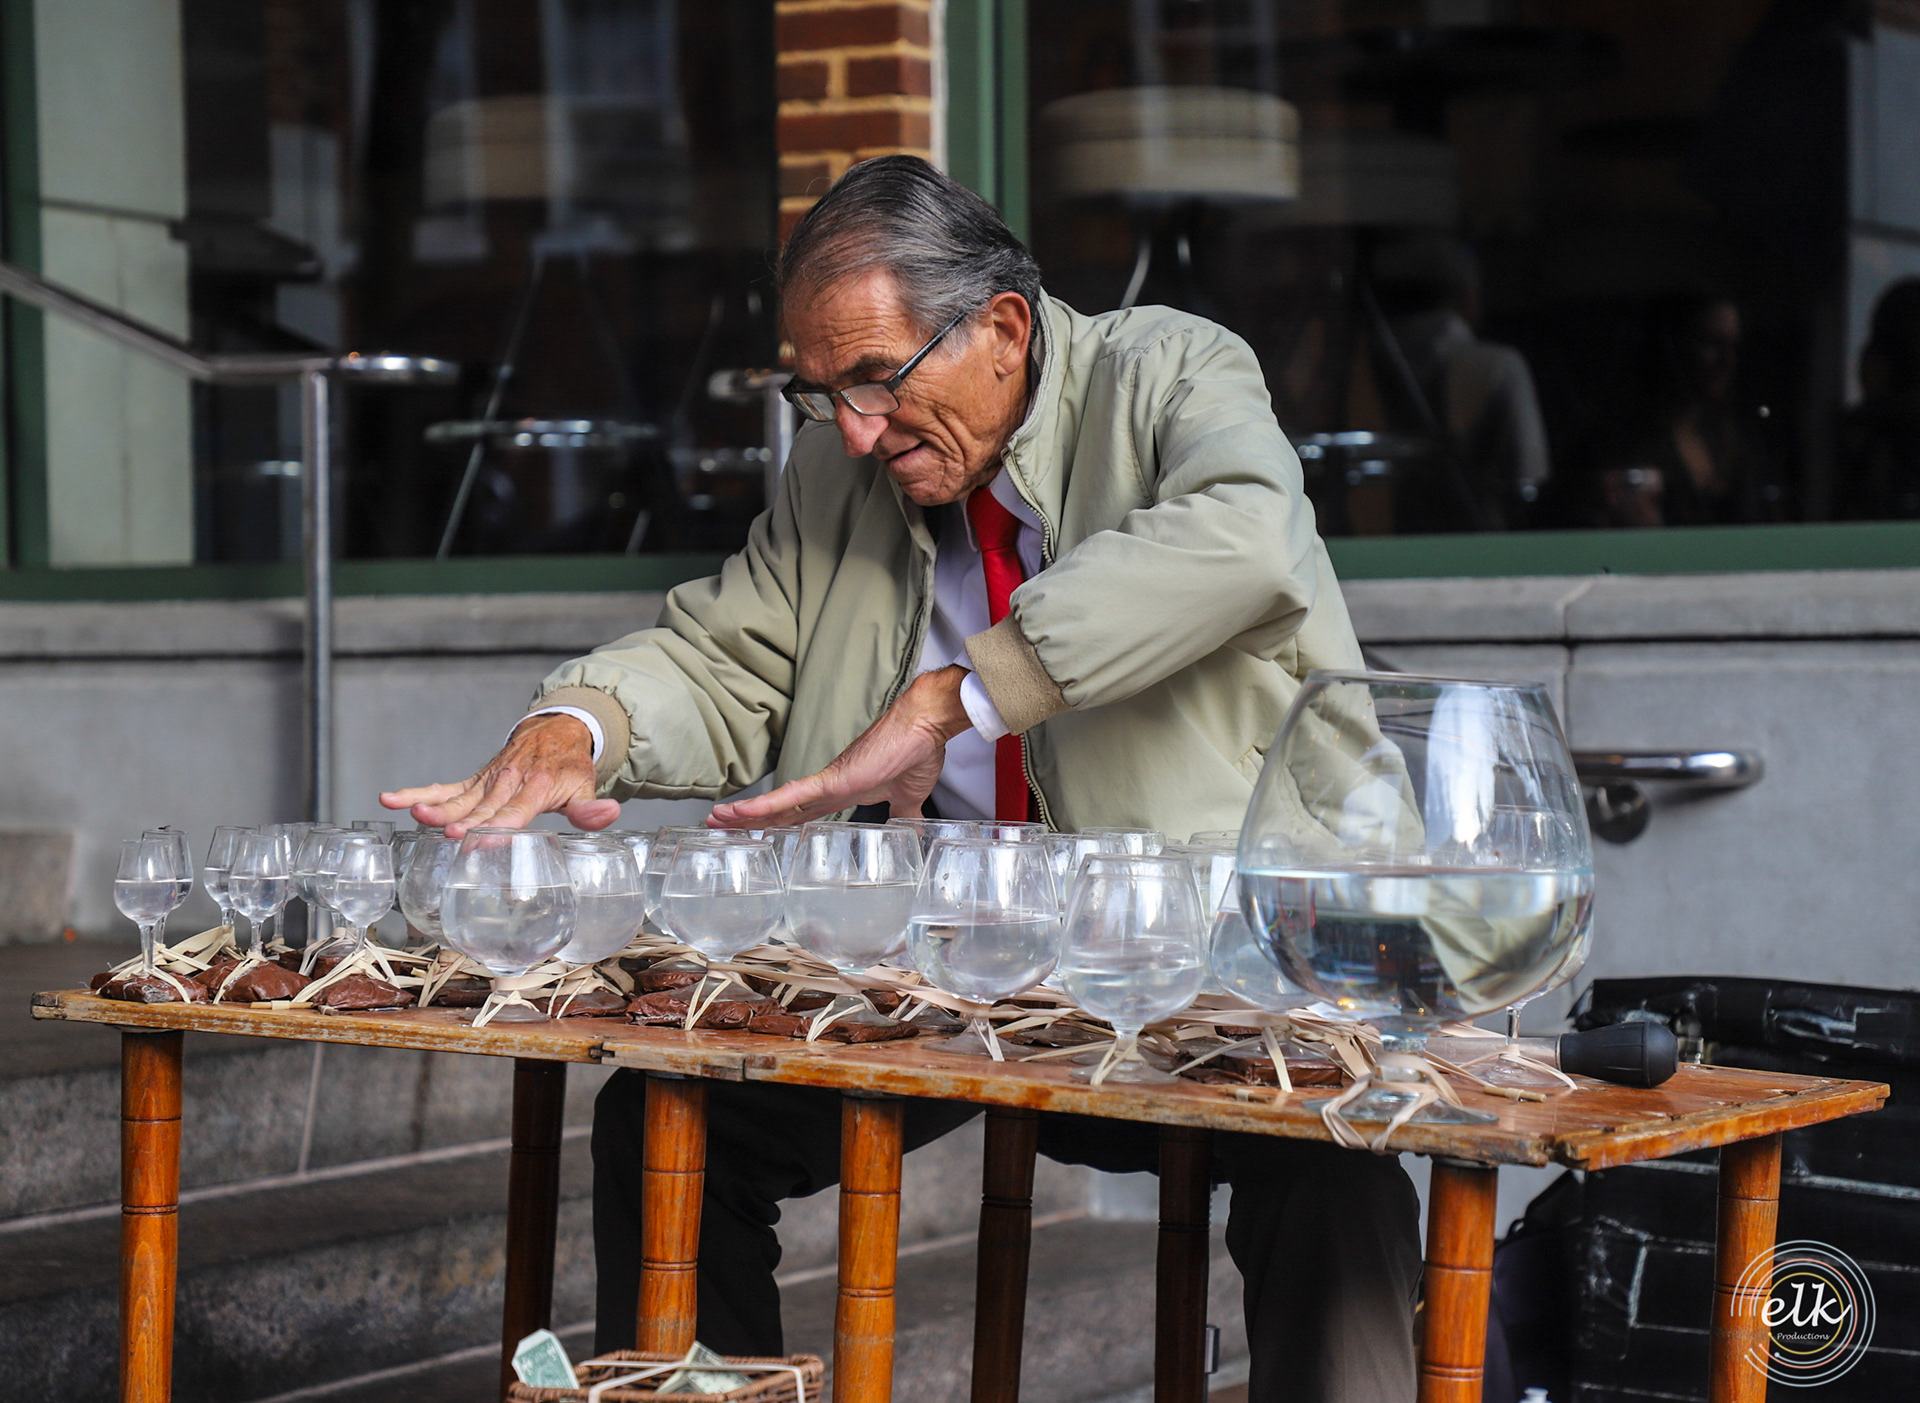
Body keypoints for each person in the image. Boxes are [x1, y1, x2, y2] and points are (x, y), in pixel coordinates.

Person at [383, 155, 1419, 1403]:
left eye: (877, 377)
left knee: (1338, 1166)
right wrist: (582, 720)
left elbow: (1245, 537)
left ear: (1003, 326)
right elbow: (728, 656)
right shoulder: (836, 462)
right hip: (945, 964)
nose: (858, 430)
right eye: (821, 393)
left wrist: (960, 694)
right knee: (672, 1121)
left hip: (1199, 959)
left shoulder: (1172, 370)